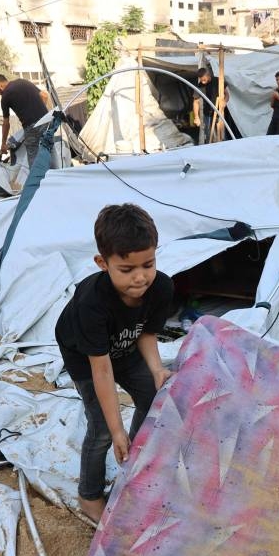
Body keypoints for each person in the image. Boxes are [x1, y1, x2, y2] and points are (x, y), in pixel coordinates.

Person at [54, 204, 174, 523]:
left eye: (148, 264)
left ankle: (134, 460)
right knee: (102, 428)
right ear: (102, 264)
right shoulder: (91, 301)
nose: (140, 277)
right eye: (127, 269)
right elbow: (102, 369)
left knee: (152, 394)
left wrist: (158, 369)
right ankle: (89, 494)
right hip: (86, 355)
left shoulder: (161, 287)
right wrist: (117, 429)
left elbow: (146, 332)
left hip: (124, 343)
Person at [0, 73, 50, 167]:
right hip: (46, 121)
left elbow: (6, 123)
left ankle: (36, 181)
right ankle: (56, 177)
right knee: (50, 150)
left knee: (33, 156)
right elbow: (44, 95)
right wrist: (40, 113)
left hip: (31, 127)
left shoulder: (5, 97)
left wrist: (3, 144)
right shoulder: (23, 82)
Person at [193, 67, 229, 144]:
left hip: (219, 112)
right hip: (207, 114)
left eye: (204, 79)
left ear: (208, 75)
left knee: (222, 134)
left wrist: (224, 102)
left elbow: (227, 94)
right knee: (209, 135)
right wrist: (196, 117)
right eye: (201, 79)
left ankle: (225, 148)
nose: (202, 82)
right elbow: (196, 102)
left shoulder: (218, 81)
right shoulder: (199, 86)